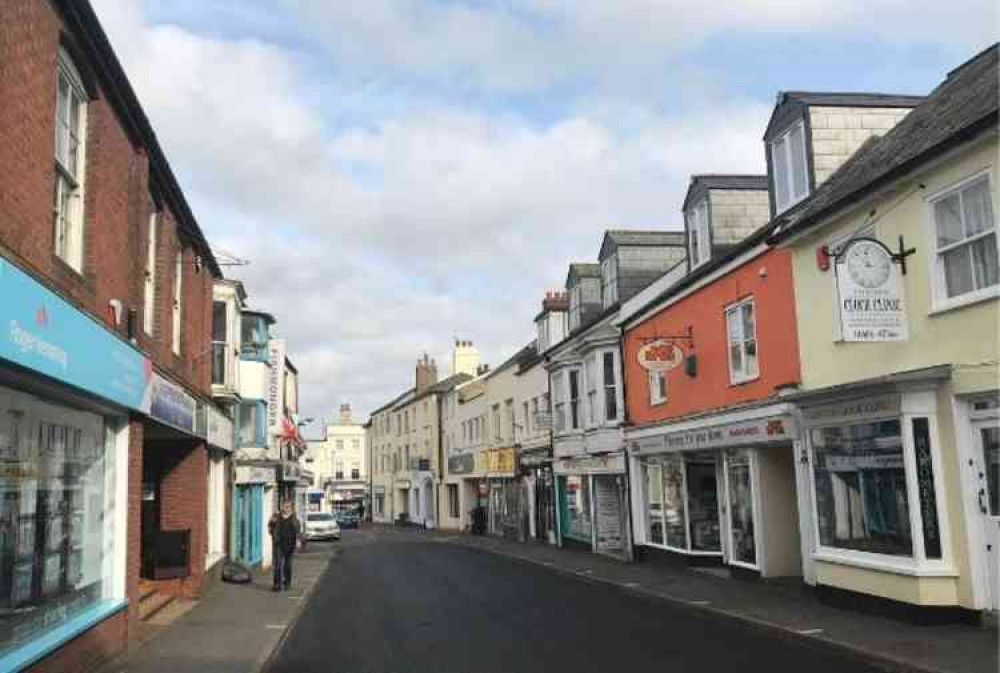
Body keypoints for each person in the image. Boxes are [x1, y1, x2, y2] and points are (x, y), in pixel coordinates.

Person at [268, 500, 301, 591]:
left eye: (288, 507)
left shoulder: (294, 519)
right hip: (278, 543)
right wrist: (272, 522)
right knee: (278, 564)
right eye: (284, 506)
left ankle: (287, 583)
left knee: (287, 565)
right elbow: (270, 526)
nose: (286, 508)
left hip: (290, 544)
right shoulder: (277, 516)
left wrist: (298, 541)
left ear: (291, 508)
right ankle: (277, 584)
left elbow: (297, 531)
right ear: (282, 507)